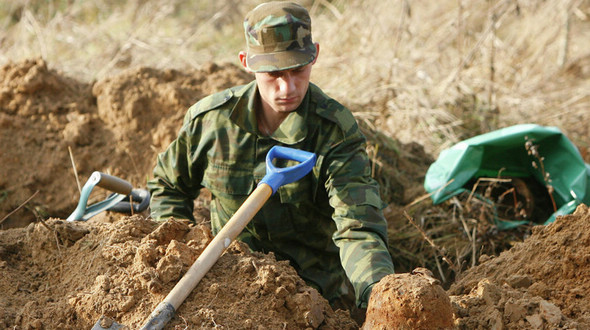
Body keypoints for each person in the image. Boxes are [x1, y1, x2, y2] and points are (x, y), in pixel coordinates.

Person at [147, 1, 394, 313]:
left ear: (315, 54)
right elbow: (169, 185)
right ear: (246, 62)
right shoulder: (211, 123)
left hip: (310, 297)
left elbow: (358, 226)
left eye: (298, 71)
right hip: (223, 285)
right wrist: (177, 256)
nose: (287, 87)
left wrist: (380, 296)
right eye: (274, 73)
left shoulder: (334, 132)